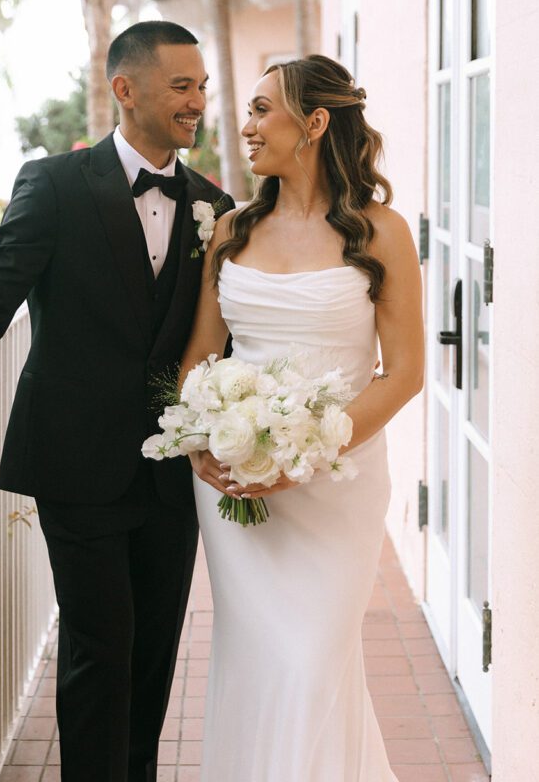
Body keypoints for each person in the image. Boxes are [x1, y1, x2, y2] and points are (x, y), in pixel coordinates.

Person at [0, 20, 234, 782]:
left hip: (170, 469)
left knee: (152, 653)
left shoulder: (214, 203)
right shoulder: (55, 184)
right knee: (98, 650)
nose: (197, 101)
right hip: (76, 458)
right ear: (124, 89)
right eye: (182, 86)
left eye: (201, 86)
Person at [181, 54, 424, 781]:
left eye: (262, 110)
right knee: (256, 659)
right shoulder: (230, 231)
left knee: (313, 660)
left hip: (336, 482)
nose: (246, 126)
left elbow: (404, 373)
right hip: (234, 485)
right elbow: (201, 354)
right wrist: (201, 441)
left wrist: (308, 454)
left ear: (314, 123)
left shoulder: (381, 231)